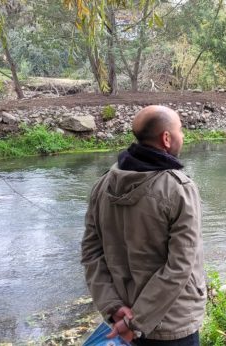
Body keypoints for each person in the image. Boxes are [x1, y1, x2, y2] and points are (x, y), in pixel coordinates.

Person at [81, 105, 205, 345]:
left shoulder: (102, 185)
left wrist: (113, 307)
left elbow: (91, 253)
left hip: (123, 316)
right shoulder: (179, 189)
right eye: (180, 130)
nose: (183, 136)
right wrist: (135, 322)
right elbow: (180, 265)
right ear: (166, 138)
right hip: (172, 322)